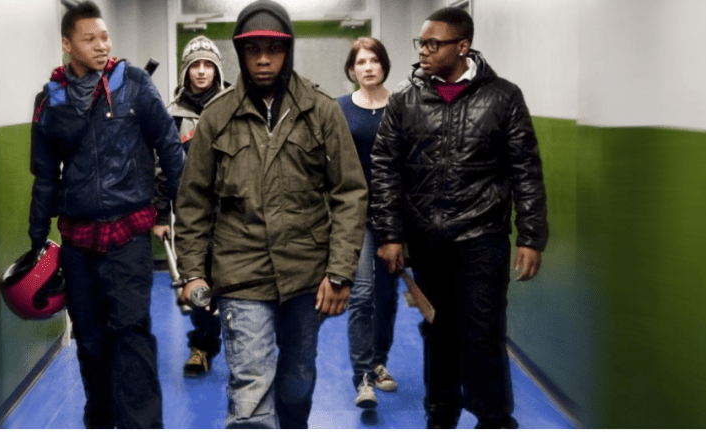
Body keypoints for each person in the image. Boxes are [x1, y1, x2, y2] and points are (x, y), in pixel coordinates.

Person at [173, 0, 368, 428]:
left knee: (297, 383)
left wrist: (340, 272)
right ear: (240, 53)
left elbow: (350, 192)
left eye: (274, 49)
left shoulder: (321, 111)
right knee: (251, 387)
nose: (263, 59)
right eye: (253, 49)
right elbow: (193, 200)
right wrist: (192, 272)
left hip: (306, 274)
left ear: (288, 50)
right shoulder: (218, 116)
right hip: (241, 271)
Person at [370, 7, 548, 430]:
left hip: (482, 238)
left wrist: (531, 236)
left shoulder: (503, 97)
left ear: (462, 47)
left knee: (483, 333)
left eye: (433, 44)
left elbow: (525, 169)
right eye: (421, 44)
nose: (423, 52)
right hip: (428, 240)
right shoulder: (405, 99)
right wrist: (390, 234)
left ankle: (494, 419)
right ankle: (440, 415)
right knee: (438, 331)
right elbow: (384, 168)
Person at [26, 1, 185, 429]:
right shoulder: (51, 101)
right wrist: (37, 240)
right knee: (91, 342)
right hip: (78, 243)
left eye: (105, 37)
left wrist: (186, 215)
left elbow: (170, 148)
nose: (102, 46)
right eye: (90, 39)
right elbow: (45, 176)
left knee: (131, 336)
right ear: (67, 45)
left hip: (128, 236)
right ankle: (100, 420)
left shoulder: (132, 84)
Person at [151, 35, 229, 377]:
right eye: (195, 65)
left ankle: (242, 346)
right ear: (186, 71)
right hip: (190, 217)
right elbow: (161, 169)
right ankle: (202, 347)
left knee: (233, 283)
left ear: (217, 70)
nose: (201, 71)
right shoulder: (172, 115)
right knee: (196, 283)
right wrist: (160, 215)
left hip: (231, 215)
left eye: (208, 65)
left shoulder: (233, 106)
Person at [336, 36, 401, 409]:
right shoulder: (340, 108)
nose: (368, 67)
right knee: (361, 294)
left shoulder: (402, 106)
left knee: (387, 296)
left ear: (384, 64)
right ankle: (363, 376)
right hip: (355, 216)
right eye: (361, 62)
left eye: (374, 60)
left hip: (394, 217)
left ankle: (379, 362)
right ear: (352, 69)